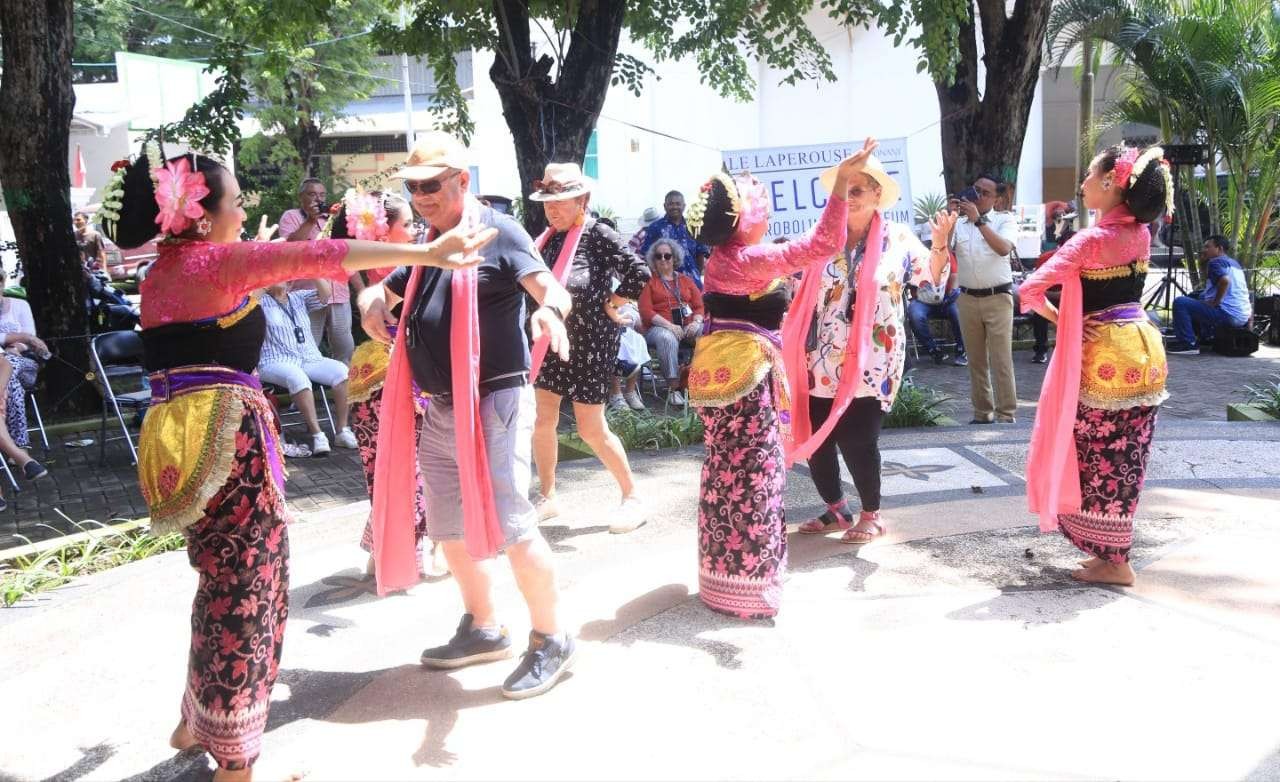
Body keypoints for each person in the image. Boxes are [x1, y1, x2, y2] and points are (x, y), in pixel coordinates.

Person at [101, 141, 492, 781]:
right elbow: (322, 253)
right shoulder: (217, 263)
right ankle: (235, 760)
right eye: (233, 199)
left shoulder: (159, 274)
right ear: (202, 216)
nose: (242, 207)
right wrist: (424, 252)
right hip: (230, 441)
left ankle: (194, 716)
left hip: (176, 437)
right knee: (251, 587)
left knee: (217, 576)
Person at [359, 131, 577, 700]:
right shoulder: (433, 242)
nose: (422, 196)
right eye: (413, 187)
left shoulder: (498, 231)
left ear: (462, 181)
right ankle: (483, 626)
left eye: (431, 185)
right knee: (447, 523)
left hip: (496, 401)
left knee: (512, 521)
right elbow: (384, 288)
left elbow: (550, 286)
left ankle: (552, 637)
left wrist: (549, 314)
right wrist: (370, 304)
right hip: (442, 407)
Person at [682, 141, 868, 620]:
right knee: (756, 478)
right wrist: (842, 188)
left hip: (722, 377)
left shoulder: (726, 257)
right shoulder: (748, 259)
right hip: (748, 383)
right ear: (750, 217)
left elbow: (799, 250)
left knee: (724, 477)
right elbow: (821, 246)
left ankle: (721, 581)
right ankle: (750, 588)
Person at [1019, 144, 1172, 588]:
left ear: (1111, 182)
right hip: (1144, 348)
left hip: (1103, 355)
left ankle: (1116, 561)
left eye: (1090, 175)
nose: (1083, 184)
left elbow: (1030, 290)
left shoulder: (1090, 241)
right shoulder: (1142, 234)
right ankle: (1110, 554)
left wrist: (1061, 318)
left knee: (1096, 460)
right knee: (1126, 460)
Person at [790, 149, 953, 544]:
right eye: (846, 188)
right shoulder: (819, 239)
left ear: (878, 194)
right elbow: (792, 285)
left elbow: (931, 282)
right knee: (815, 438)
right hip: (819, 358)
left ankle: (871, 513)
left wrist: (941, 244)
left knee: (858, 438)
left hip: (874, 359)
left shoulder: (898, 239)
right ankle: (836, 509)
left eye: (859, 188)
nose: (851, 194)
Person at [525, 163, 652, 532]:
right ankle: (547, 497)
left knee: (590, 429)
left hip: (591, 344)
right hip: (551, 342)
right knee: (542, 420)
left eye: (561, 199)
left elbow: (638, 271)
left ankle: (632, 496)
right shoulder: (545, 239)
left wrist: (614, 303)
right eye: (548, 199)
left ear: (582, 200)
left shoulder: (598, 234)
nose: (552, 207)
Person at [329, 190, 446, 578]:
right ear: (384, 230)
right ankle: (411, 551)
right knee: (417, 466)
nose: (414, 231)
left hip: (368, 373)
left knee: (387, 469)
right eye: (408, 224)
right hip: (401, 370)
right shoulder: (402, 266)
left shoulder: (364, 269)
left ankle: (383, 550)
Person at [946, 175, 1021, 423]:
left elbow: (1003, 248)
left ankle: (1006, 413)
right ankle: (982, 412)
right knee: (976, 361)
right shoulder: (959, 222)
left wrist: (979, 221)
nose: (977, 196)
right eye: (975, 189)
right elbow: (944, 249)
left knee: (1001, 359)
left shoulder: (1004, 219)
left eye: (984, 193)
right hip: (967, 298)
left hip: (997, 296)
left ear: (997, 199)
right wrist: (949, 219)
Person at [257, 278, 357, 455]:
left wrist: (312, 271)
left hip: (309, 358)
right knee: (298, 377)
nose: (284, 279)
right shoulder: (260, 301)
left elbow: (326, 294)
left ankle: (342, 430)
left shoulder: (299, 297)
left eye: (287, 276)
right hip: (275, 361)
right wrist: (266, 280)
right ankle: (317, 434)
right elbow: (246, 300)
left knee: (342, 372)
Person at [279, 178, 359, 363]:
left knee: (345, 347)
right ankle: (308, 388)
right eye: (312, 194)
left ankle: (345, 389)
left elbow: (346, 256)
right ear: (301, 197)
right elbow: (290, 247)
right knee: (309, 347)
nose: (318, 199)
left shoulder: (335, 217)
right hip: (307, 294)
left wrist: (361, 289)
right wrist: (310, 220)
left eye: (322, 195)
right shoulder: (291, 216)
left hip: (338, 292)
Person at [639, 239, 705, 404]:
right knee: (666, 338)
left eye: (667, 256)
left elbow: (699, 306)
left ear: (674, 258)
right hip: (658, 328)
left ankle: (699, 380)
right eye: (658, 256)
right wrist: (669, 326)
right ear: (653, 260)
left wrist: (696, 323)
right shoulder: (648, 282)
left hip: (688, 325)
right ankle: (674, 389)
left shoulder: (686, 280)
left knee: (705, 332)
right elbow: (646, 312)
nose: (663, 259)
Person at [1168, 234, 1252, 354]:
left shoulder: (1215, 262)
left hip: (1228, 316)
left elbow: (1225, 281)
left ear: (1220, 249)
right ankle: (1206, 336)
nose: (1204, 250)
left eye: (1208, 247)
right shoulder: (1234, 263)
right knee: (1198, 296)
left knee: (1180, 302)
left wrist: (1215, 302)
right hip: (1241, 317)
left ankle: (1189, 344)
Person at [0, 288, 52, 472]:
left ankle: (15, 448)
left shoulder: (20, 305)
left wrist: (17, 346)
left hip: (25, 361)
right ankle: (20, 447)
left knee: (10, 367)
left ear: (2, 282)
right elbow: (26, 336)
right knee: (10, 379)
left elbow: (32, 338)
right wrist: (20, 337)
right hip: (3, 368)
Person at [637, 190, 711, 288]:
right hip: (667, 285)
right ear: (665, 206)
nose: (674, 207)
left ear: (684, 206)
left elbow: (700, 254)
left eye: (678, 204)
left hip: (693, 283)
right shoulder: (655, 228)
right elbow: (648, 257)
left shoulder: (693, 226)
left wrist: (695, 273)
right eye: (671, 204)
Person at [906, 250, 966, 366]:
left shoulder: (946, 252)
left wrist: (953, 291)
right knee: (914, 314)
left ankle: (961, 350)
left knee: (958, 312)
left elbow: (954, 274)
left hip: (946, 299)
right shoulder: (913, 253)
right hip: (923, 301)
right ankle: (934, 350)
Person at [608, 301, 649, 411]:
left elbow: (625, 306)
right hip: (596, 329)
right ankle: (615, 394)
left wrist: (628, 316)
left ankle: (630, 391)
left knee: (637, 339)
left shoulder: (614, 285)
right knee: (618, 344)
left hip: (620, 327)